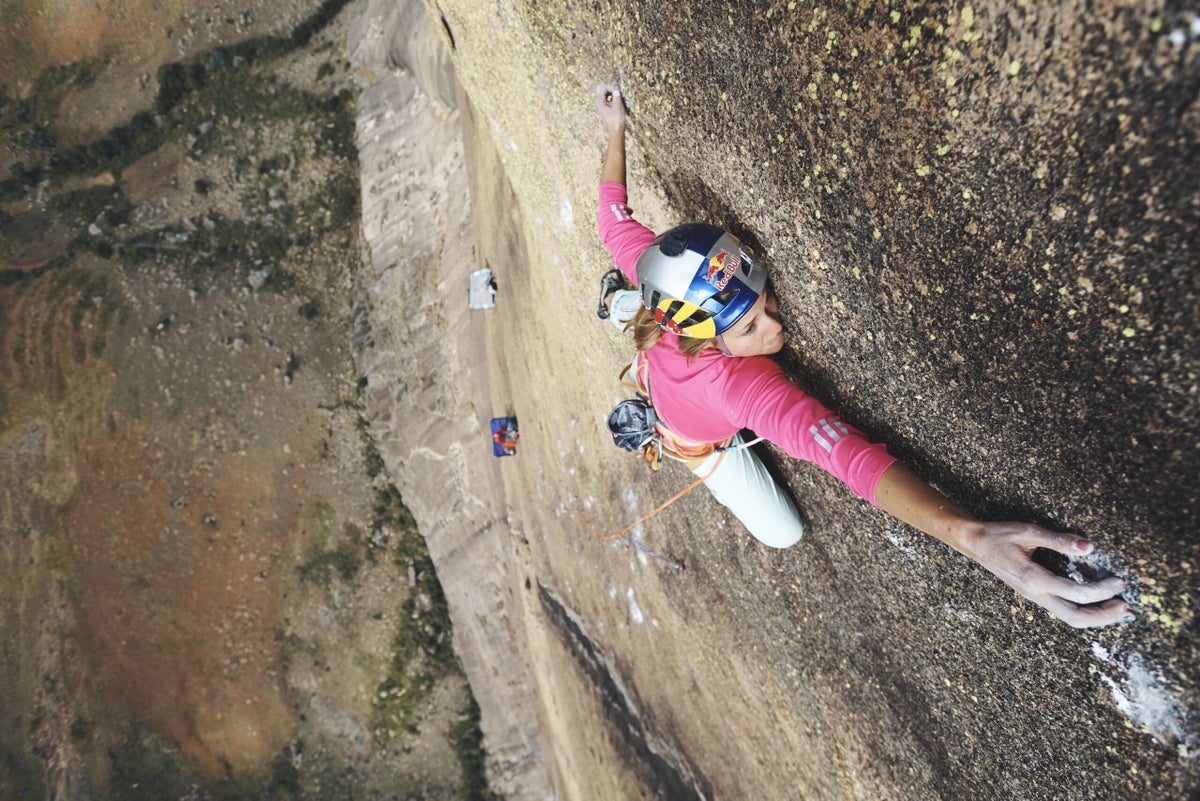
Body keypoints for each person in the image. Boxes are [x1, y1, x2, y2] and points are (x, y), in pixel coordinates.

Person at [593, 81, 1131, 629]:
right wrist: (970, 536)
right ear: (711, 341)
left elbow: (611, 220)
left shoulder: (663, 281)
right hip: (693, 439)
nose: (776, 327)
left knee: (643, 308)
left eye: (765, 299)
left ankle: (618, 304)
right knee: (784, 534)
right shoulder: (739, 387)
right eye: (751, 327)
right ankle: (619, 312)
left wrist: (615, 129)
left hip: (656, 360)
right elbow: (841, 454)